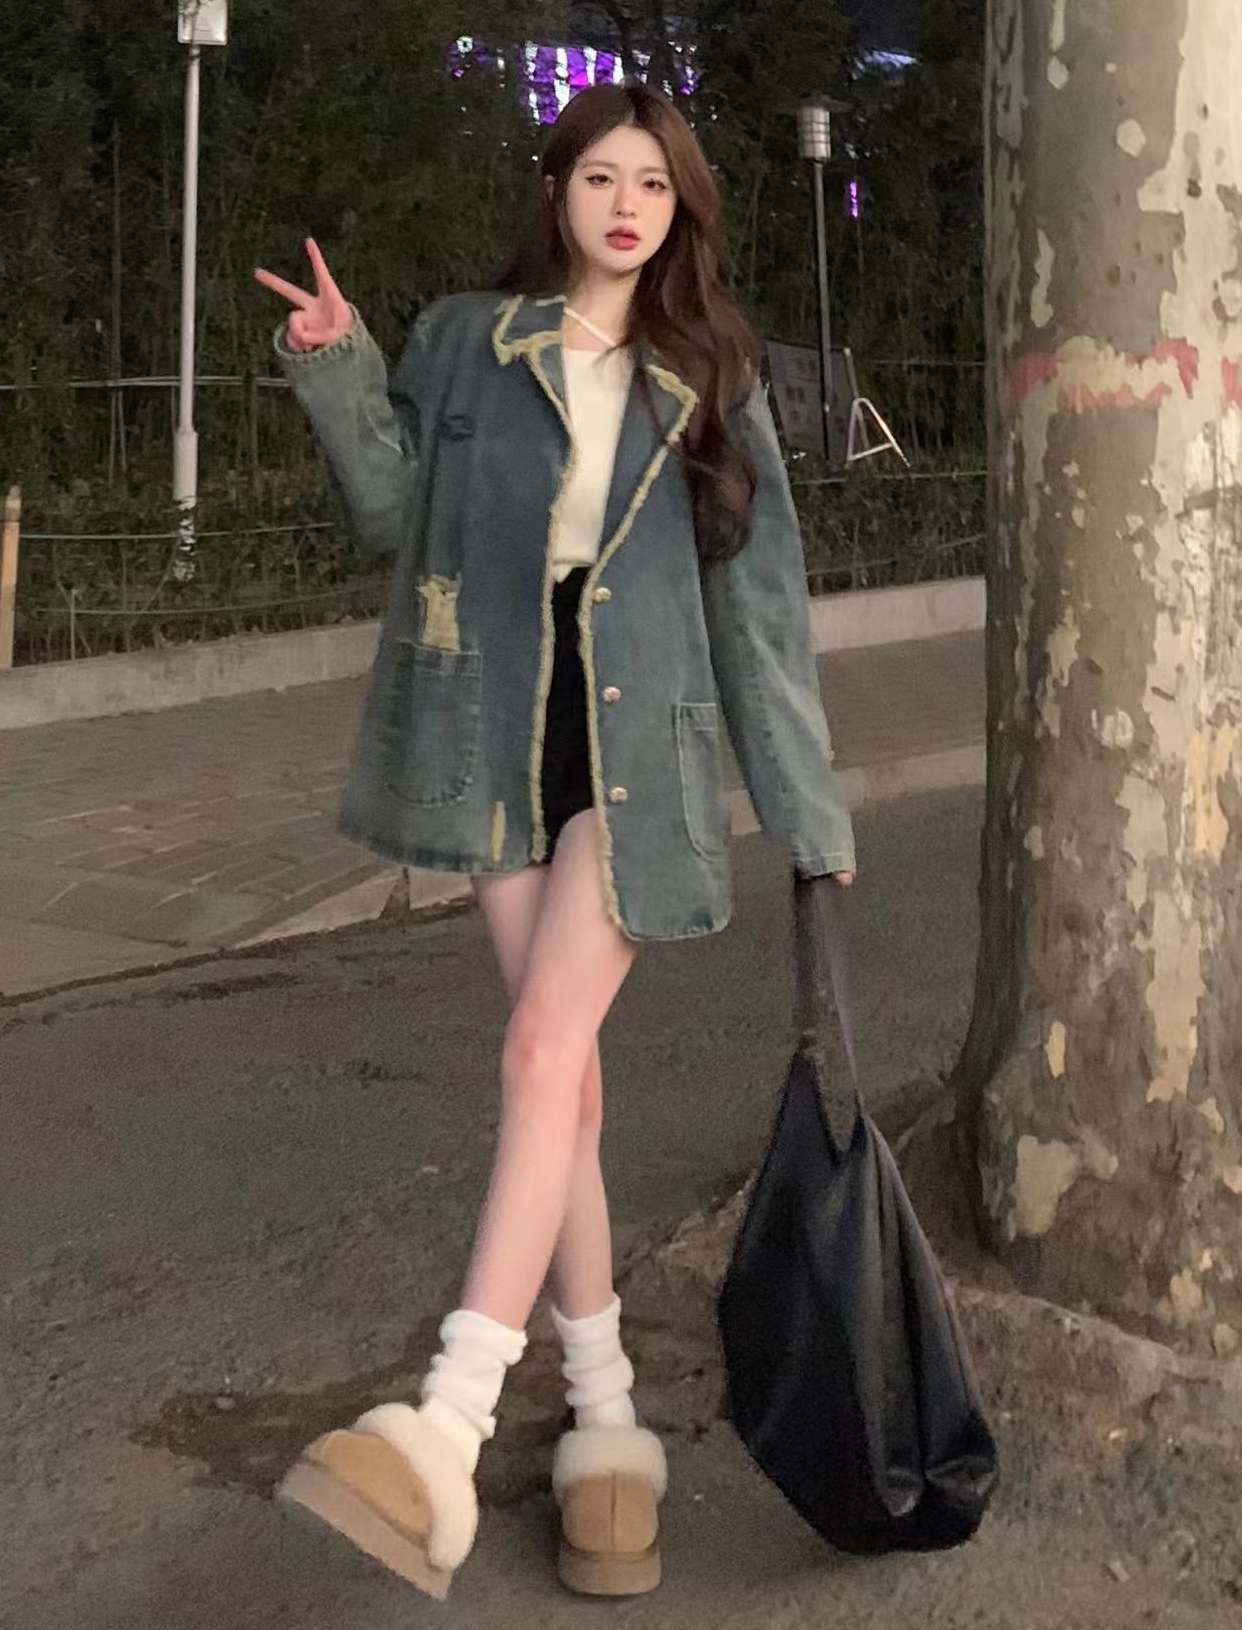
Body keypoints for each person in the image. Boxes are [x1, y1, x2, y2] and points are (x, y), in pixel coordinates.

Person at [254, 81, 855, 1602]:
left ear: (681, 206)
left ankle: (447, 1429)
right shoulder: (471, 340)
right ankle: (607, 1433)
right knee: (560, 1079)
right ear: (558, 190)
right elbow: (395, 513)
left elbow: (760, 611)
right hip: (501, 741)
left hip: (640, 753)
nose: (626, 204)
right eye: (601, 176)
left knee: (537, 1053)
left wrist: (808, 811)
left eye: (653, 181)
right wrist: (337, 362)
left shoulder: (712, 373)